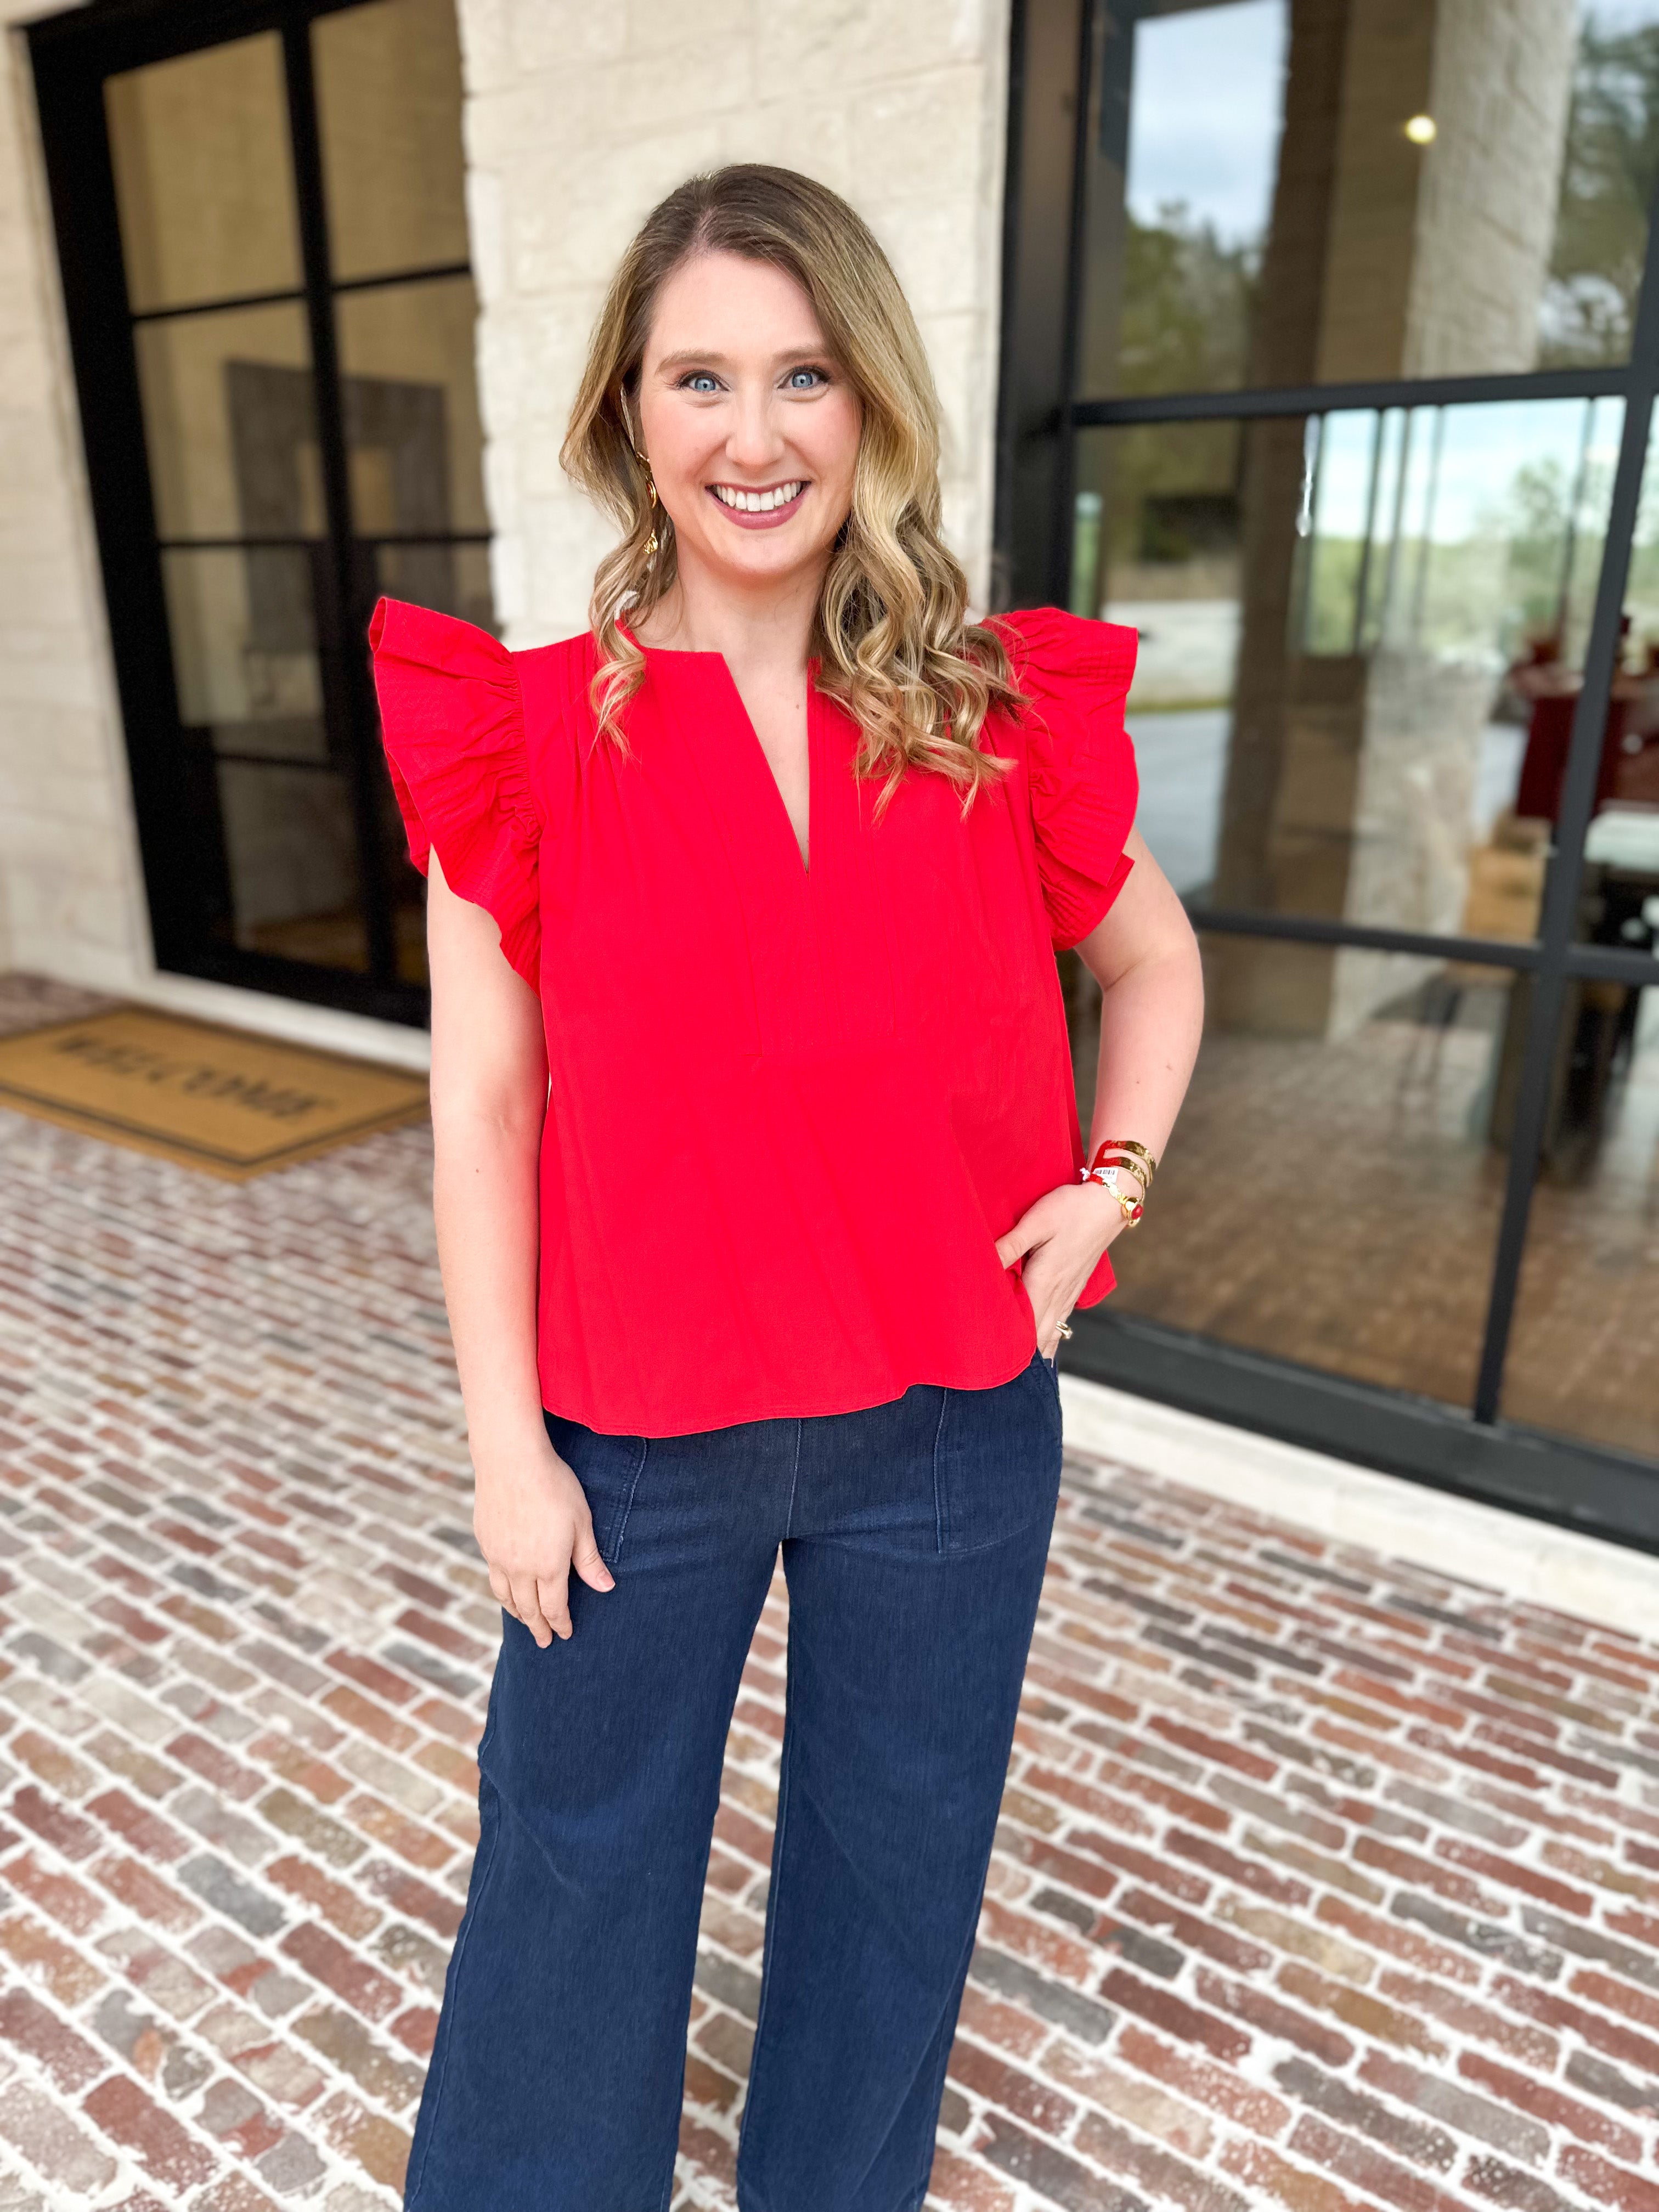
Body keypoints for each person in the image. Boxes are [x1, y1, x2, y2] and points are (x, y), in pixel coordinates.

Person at [370, 163, 1203, 2212]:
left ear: (871, 403)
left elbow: (1157, 965)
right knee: (573, 1877)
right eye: (702, 378)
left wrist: (1108, 1187)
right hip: (636, 1440)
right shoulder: (518, 736)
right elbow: (483, 1111)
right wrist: (506, 1453)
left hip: (951, 1428)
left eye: (806, 375)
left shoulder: (984, 714)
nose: (757, 434)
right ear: (629, 415)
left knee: (897, 1872)